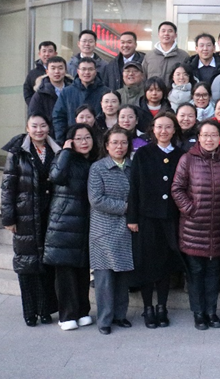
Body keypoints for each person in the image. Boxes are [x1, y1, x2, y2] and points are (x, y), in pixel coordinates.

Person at [126, 112, 185, 329]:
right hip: (147, 217)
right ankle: (148, 307)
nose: (163, 131)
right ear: (153, 129)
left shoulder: (181, 155)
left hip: (170, 217)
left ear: (174, 130)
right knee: (147, 263)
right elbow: (134, 187)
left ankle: (162, 306)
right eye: (159, 127)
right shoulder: (143, 154)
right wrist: (132, 217)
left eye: (168, 127)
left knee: (164, 263)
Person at [0, 113, 60, 327]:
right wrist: (8, 218)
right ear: (27, 128)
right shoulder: (18, 152)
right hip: (25, 215)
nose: (39, 130)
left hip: (49, 215)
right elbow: (7, 187)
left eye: (43, 126)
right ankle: (30, 311)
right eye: (34, 126)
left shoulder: (56, 150)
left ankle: (45, 310)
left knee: (46, 264)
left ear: (48, 128)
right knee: (26, 264)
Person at [172, 119, 220, 330]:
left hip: (218, 227)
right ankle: (198, 313)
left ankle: (211, 312)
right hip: (193, 228)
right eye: (205, 135)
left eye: (213, 135)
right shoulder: (188, 159)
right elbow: (177, 188)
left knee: (213, 273)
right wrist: (191, 209)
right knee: (196, 273)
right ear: (198, 137)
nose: (209, 139)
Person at [43, 124, 99, 331]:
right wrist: (65, 151)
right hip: (64, 223)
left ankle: (83, 311)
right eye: (79, 138)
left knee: (82, 270)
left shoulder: (95, 161)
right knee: (65, 272)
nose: (84, 142)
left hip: (85, 223)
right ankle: (67, 315)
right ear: (70, 141)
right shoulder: (64, 159)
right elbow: (55, 177)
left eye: (87, 137)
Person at [88, 126, 135, 335]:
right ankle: (104, 320)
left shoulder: (132, 166)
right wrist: (127, 208)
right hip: (104, 229)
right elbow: (96, 199)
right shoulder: (98, 168)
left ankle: (120, 315)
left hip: (127, 229)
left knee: (123, 274)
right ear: (106, 146)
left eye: (123, 142)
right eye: (114, 142)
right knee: (105, 278)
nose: (119, 146)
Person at [52, 57, 110, 144]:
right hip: (73, 141)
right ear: (78, 71)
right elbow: (58, 117)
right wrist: (62, 140)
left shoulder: (105, 92)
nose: (87, 72)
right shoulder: (67, 92)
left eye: (90, 69)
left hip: (99, 141)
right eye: (83, 69)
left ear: (95, 72)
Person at [28, 56, 71, 122]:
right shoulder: (40, 95)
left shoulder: (74, 91)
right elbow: (33, 118)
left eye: (60, 68)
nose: (57, 71)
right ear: (47, 71)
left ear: (65, 71)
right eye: (53, 68)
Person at [24, 41, 58, 105]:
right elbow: (27, 93)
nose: (47, 54)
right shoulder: (32, 73)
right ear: (39, 54)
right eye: (44, 51)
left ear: (55, 54)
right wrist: (34, 106)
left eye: (50, 51)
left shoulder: (62, 71)